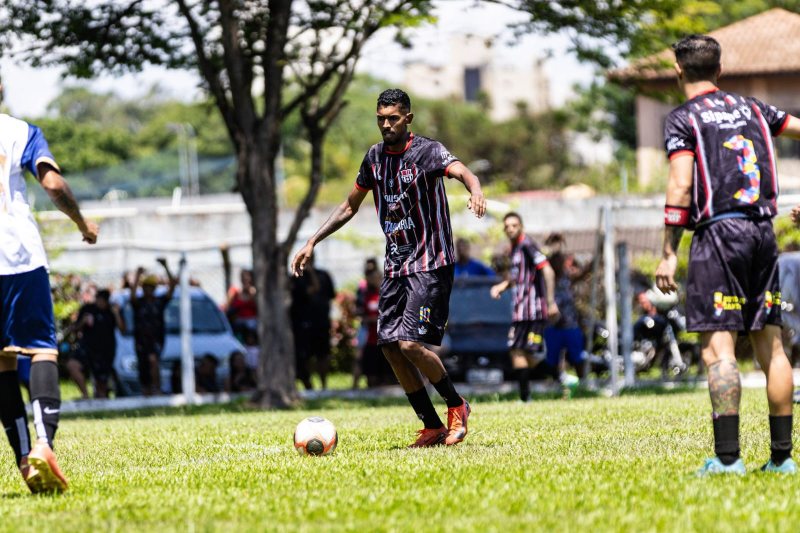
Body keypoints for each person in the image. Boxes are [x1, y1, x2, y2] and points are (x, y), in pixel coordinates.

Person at [292, 88, 486, 447]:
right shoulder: (374, 158)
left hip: (430, 263)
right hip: (396, 267)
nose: (386, 124)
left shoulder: (427, 151)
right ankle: (431, 426)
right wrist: (312, 241)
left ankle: (457, 405)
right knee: (390, 347)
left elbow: (462, 171)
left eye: (393, 118)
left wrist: (475, 189)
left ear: (407, 119)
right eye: (381, 118)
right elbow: (349, 206)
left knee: (410, 344)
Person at [655, 35, 800, 475]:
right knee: (772, 347)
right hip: (763, 233)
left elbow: (681, 184)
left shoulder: (683, 117)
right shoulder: (755, 108)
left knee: (719, 350)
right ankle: (782, 459)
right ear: (719, 70)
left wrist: (668, 251)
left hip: (719, 234)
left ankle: (728, 459)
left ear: (678, 70)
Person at [0, 92, 99, 493]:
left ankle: (25, 460)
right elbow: (53, 185)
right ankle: (44, 444)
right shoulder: (20, 131)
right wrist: (82, 222)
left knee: (3, 360)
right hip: (19, 256)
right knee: (41, 348)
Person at [491, 213, 579, 401]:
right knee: (522, 353)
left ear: (521, 227)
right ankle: (562, 380)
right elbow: (519, 277)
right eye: (507, 226)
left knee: (519, 351)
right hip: (520, 312)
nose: (510, 229)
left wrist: (550, 302)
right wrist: (503, 286)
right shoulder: (515, 250)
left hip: (531, 312)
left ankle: (528, 396)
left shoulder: (527, 245)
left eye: (514, 225)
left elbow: (547, 270)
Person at [544, 238, 594, 381]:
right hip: (552, 327)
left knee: (577, 358)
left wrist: (600, 250)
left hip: (570, 326)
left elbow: (585, 271)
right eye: (555, 261)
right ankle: (557, 383)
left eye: (560, 261)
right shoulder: (545, 280)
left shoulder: (568, 278)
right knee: (552, 362)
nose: (558, 264)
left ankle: (583, 383)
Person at [66, 289, 126, 399]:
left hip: (105, 351)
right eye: (99, 299)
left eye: (104, 300)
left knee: (101, 387)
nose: (101, 303)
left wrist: (116, 313)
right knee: (72, 365)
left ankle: (102, 402)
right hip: (87, 348)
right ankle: (85, 395)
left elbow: (122, 329)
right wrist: (83, 322)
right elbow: (74, 329)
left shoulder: (111, 311)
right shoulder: (88, 309)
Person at [130, 259, 177, 396]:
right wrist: (138, 275)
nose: (148, 290)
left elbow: (172, 288)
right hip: (141, 341)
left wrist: (166, 267)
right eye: (145, 287)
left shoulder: (159, 302)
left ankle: (157, 389)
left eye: (150, 287)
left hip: (156, 340)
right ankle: (147, 393)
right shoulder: (139, 303)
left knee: (153, 359)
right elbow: (132, 296)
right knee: (144, 370)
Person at [290, 254, 336, 390]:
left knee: (322, 355)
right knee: (306, 356)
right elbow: (312, 289)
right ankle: (309, 386)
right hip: (304, 324)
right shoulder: (297, 277)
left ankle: (324, 385)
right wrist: (309, 272)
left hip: (321, 322)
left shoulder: (324, 275)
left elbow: (331, 295)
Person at [353, 266, 391, 388]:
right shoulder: (367, 295)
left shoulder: (388, 294)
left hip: (386, 339)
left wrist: (375, 319)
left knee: (387, 377)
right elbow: (362, 312)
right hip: (371, 340)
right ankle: (355, 385)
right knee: (371, 375)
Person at [226, 269, 257, 337]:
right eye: (243, 276)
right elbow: (227, 308)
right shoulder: (235, 292)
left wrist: (251, 294)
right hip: (239, 321)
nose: (245, 278)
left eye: (247, 276)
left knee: (251, 325)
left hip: (252, 321)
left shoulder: (254, 292)